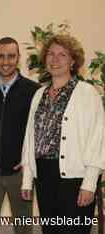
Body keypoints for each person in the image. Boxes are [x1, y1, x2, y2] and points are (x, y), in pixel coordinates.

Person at [21, 34, 105, 234]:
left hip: (75, 179)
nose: (55, 59)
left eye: (62, 55)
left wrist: (90, 183)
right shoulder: (39, 94)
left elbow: (98, 138)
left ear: (72, 61)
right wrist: (27, 178)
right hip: (44, 176)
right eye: (50, 54)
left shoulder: (87, 93)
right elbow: (30, 138)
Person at [0, 37, 40, 234]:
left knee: (23, 229)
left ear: (18, 58)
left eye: (11, 56)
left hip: (21, 173)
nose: (5, 61)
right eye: (1, 56)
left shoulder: (34, 91)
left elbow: (39, 130)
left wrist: (28, 159)